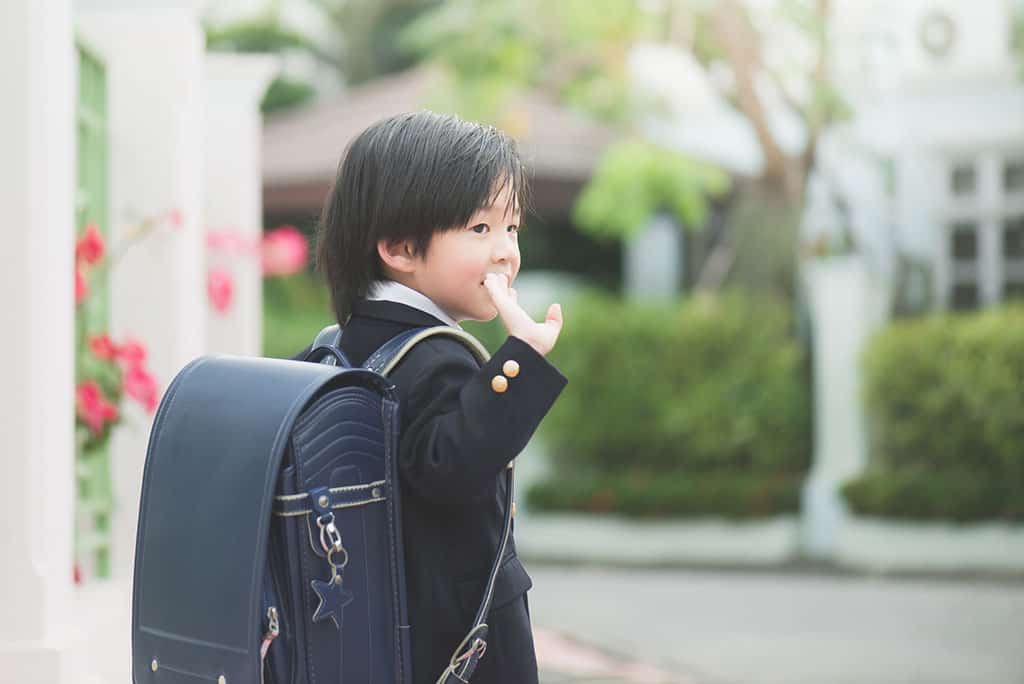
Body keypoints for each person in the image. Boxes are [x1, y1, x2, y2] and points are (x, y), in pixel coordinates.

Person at [293, 110, 567, 684]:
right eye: (479, 229)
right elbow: (449, 468)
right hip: (459, 643)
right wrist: (521, 359)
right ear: (398, 247)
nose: (505, 252)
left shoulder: (341, 344)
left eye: (511, 228)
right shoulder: (433, 355)